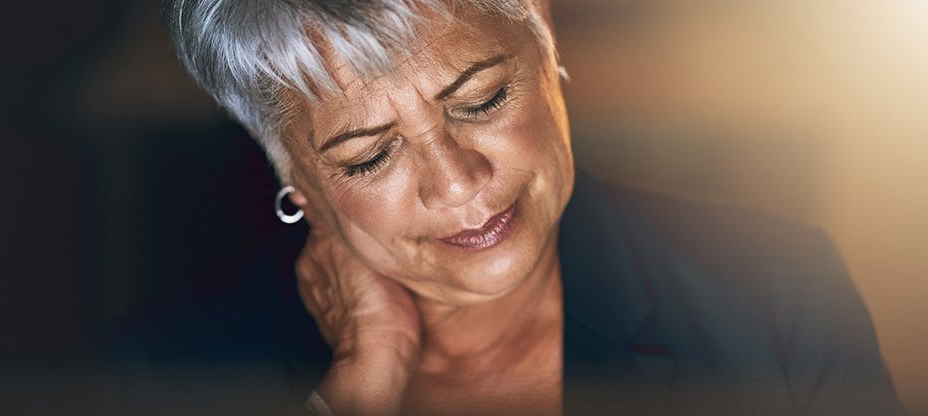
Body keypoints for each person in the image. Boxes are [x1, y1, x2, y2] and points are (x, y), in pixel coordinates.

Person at [148, 0, 906, 414]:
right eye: (370, 156)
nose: (456, 183)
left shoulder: (777, 298)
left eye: (480, 99)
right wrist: (359, 386)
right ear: (297, 180)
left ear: (544, 41)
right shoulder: (166, 373)